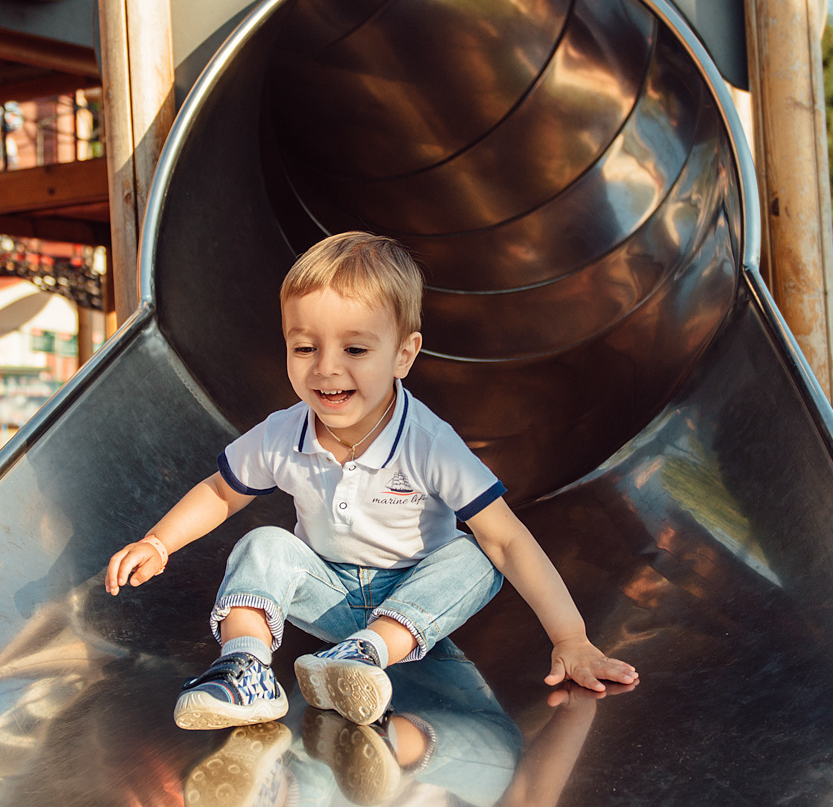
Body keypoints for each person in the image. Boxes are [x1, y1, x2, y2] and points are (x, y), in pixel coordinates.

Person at [105, 231, 638, 730]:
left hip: (414, 600)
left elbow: (508, 539)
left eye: (355, 350)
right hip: (324, 594)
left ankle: (364, 653)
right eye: (305, 348)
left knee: (478, 557)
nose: (326, 368)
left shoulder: (428, 443)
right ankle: (246, 670)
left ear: (403, 354)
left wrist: (571, 638)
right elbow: (222, 492)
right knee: (263, 544)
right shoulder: (283, 433)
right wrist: (159, 541)